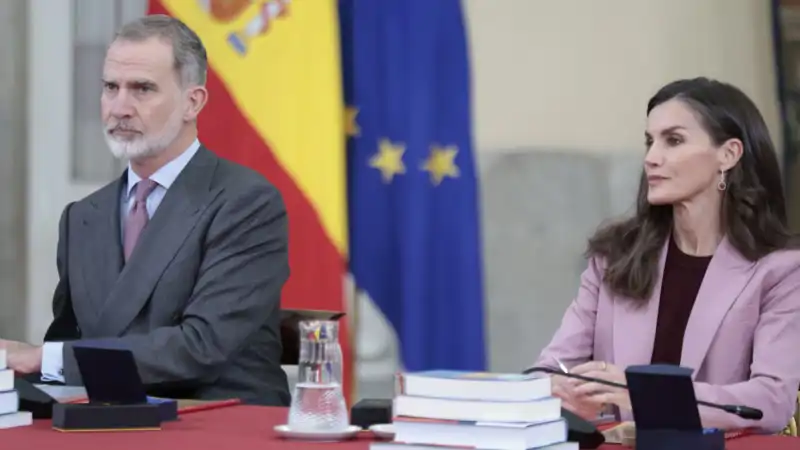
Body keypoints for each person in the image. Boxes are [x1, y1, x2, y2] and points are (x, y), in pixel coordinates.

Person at [0, 15, 291, 406]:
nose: (119, 107)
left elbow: (200, 347)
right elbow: (70, 350)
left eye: (142, 89)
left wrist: (43, 357)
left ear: (193, 102)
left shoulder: (246, 202)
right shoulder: (82, 216)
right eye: (110, 87)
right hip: (106, 424)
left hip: (218, 426)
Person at [535, 77, 800, 433]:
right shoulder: (615, 257)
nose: (650, 158)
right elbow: (550, 368)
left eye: (673, 140)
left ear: (728, 154)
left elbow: (769, 402)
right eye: (649, 141)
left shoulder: (781, 271)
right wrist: (556, 388)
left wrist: (647, 395)